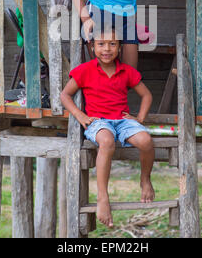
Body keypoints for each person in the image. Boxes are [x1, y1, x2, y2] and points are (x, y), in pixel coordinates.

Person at [60, 26, 155, 228]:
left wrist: (139, 118)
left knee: (146, 140)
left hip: (122, 121)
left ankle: (145, 179)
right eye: (101, 44)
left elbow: (146, 95)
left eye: (112, 44)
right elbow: (64, 95)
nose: (107, 49)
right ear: (93, 47)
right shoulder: (85, 70)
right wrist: (79, 114)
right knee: (106, 140)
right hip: (98, 121)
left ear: (120, 48)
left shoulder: (126, 71)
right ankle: (103, 196)